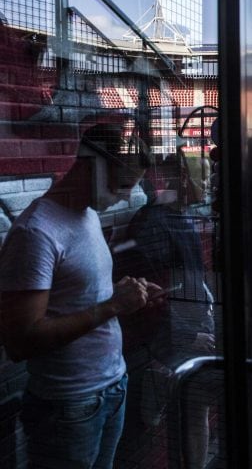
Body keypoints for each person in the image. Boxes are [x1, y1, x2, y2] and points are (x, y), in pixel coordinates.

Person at [0, 124, 161, 468]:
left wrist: (129, 297)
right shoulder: (36, 233)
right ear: (93, 166)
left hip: (111, 388)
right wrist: (113, 305)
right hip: (68, 407)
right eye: (121, 186)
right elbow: (19, 341)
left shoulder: (85, 215)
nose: (122, 198)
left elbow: (82, 297)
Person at [123, 153, 216, 468]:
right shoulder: (155, 224)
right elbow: (154, 294)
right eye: (202, 179)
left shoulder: (179, 216)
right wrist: (190, 336)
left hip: (189, 333)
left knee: (197, 408)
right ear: (183, 181)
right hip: (175, 341)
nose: (208, 186)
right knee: (195, 409)